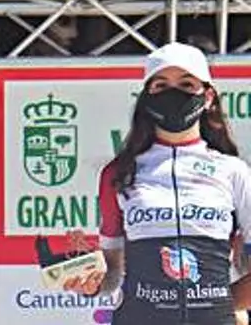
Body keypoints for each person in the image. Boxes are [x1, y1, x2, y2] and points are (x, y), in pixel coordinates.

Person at [64, 42, 251, 324]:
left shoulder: (233, 171)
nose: (173, 93)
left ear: (208, 96)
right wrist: (92, 282)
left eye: (186, 84)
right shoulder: (119, 173)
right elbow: (112, 273)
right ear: (147, 97)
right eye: (161, 85)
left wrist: (219, 305)